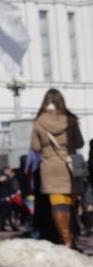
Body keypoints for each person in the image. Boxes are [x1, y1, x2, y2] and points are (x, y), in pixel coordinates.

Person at [30, 88, 84, 248]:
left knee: (57, 204)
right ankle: (71, 238)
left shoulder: (40, 120)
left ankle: (66, 239)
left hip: (50, 167)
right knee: (70, 204)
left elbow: (35, 146)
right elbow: (80, 142)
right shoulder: (70, 119)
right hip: (70, 167)